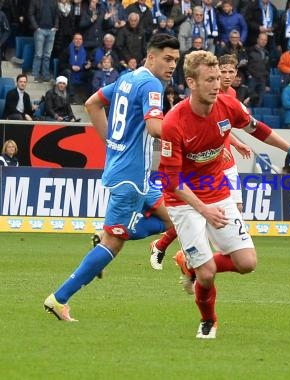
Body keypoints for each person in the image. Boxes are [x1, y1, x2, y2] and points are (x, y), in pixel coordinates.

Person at [157, 50, 290, 338]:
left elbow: (258, 129)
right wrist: (203, 210)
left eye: (218, 78)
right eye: (209, 80)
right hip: (184, 200)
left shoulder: (227, 105)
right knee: (206, 274)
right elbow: (171, 179)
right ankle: (208, 320)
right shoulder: (174, 122)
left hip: (218, 193)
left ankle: (188, 260)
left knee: (247, 263)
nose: (217, 85)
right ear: (191, 83)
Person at [43, 33, 181, 322]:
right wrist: (188, 136)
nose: (172, 66)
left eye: (176, 61)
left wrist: (112, 141)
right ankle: (59, 298)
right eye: (167, 59)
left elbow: (92, 104)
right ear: (151, 57)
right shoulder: (152, 84)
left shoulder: (127, 79)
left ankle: (107, 233)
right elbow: (156, 128)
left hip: (131, 174)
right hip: (130, 179)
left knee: (174, 219)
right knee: (114, 243)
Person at [150, 53, 252, 270]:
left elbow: (222, 124)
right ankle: (172, 248)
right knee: (197, 213)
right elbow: (205, 129)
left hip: (223, 163)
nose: (224, 77)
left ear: (235, 74)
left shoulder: (230, 96)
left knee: (237, 207)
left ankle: (193, 256)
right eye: (221, 72)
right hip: (201, 167)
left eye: (229, 72)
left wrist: (233, 143)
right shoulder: (190, 107)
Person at [29, 0, 59, 82]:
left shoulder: (54, 2)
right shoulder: (35, 1)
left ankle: (45, 75)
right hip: (40, 30)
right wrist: (36, 27)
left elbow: (57, 15)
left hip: (51, 31)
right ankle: (35, 75)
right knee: (38, 54)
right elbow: (31, 14)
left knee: (47, 55)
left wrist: (56, 27)